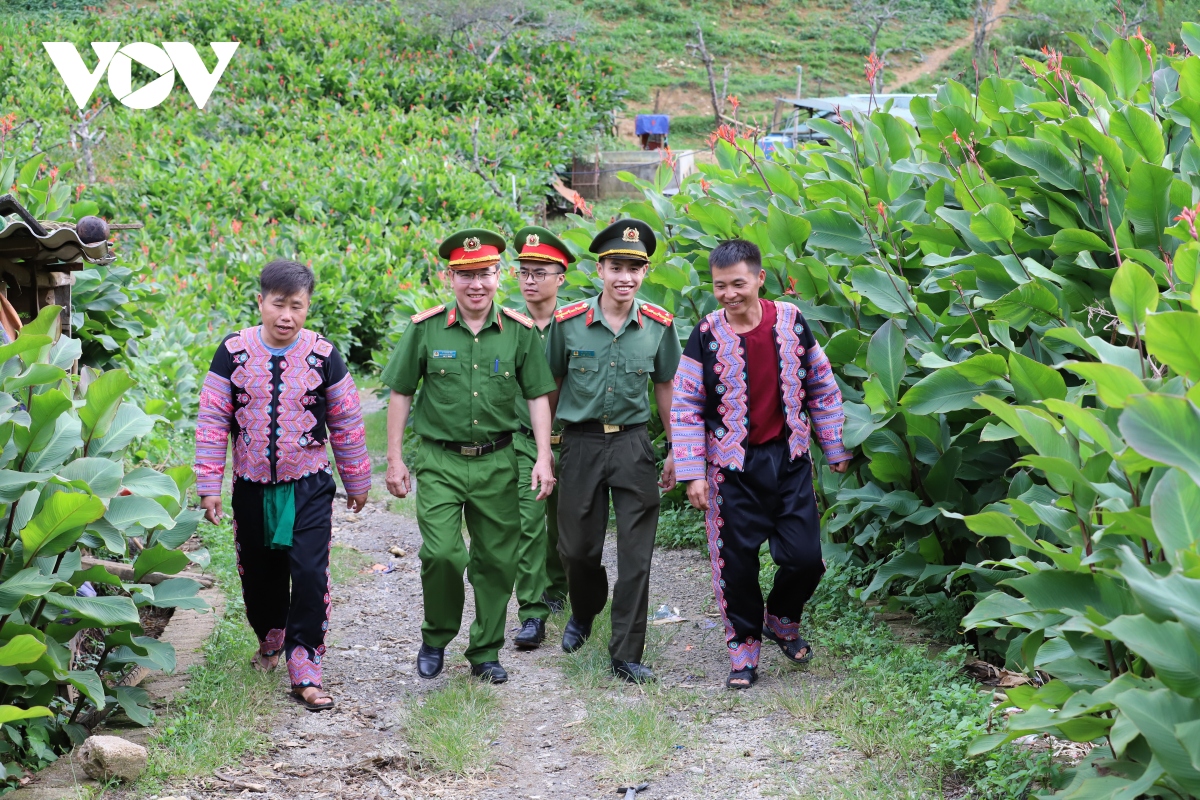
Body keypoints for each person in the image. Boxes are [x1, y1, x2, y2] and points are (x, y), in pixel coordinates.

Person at [670, 239, 851, 690]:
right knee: (736, 565)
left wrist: (835, 447)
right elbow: (686, 404)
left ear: (758, 279)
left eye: (738, 284)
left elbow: (822, 387)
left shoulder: (791, 322)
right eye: (719, 286)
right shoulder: (707, 334)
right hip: (730, 467)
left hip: (787, 460)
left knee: (806, 558)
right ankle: (744, 648)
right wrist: (692, 472)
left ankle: (783, 618)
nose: (729, 294)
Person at [381, 228, 557, 684]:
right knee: (442, 554)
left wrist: (542, 456)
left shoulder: (518, 333)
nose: (475, 284)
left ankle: (484, 651)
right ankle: (436, 636)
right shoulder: (425, 329)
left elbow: (538, 395)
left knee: (497, 561)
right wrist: (395, 459)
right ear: (451, 278)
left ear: (500, 275)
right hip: (441, 461)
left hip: (498, 460)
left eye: (484, 274)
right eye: (465, 275)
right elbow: (401, 391)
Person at [195, 259, 371, 711]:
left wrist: (356, 479)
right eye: (278, 304)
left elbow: (347, 421)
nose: (287, 316)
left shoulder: (323, 354)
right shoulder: (232, 352)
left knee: (310, 573)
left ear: (308, 306)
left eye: (297, 306)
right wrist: (209, 484)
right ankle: (271, 638)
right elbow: (214, 420)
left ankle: (305, 662)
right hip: (251, 485)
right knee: (258, 575)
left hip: (308, 484)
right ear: (261, 302)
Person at [546, 218, 681, 683]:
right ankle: (584, 610)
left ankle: (625, 652)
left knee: (636, 555)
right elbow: (551, 386)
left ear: (644, 273)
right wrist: (546, 449)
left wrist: (675, 449)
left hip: (632, 442)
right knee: (577, 550)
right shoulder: (568, 324)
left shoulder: (659, 326)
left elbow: (665, 386)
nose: (625, 277)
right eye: (616, 267)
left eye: (635, 268)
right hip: (580, 444)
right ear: (600, 269)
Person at [509, 226, 573, 650]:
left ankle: (561, 588)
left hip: (575, 439)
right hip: (523, 441)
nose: (531, 280)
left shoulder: (579, 324)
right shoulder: (507, 325)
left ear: (560, 276)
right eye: (524, 272)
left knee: (567, 530)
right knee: (529, 525)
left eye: (540, 271)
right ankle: (532, 611)